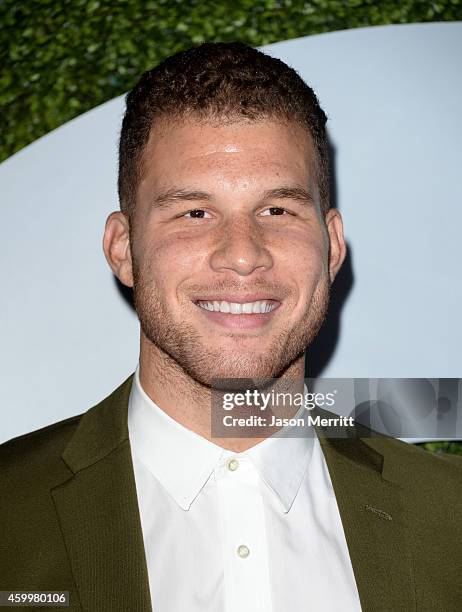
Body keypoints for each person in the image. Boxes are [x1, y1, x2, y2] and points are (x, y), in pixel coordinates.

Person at [1, 42, 461, 612]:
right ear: (123, 248)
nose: (243, 256)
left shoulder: (451, 518)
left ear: (333, 244)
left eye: (278, 210)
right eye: (195, 213)